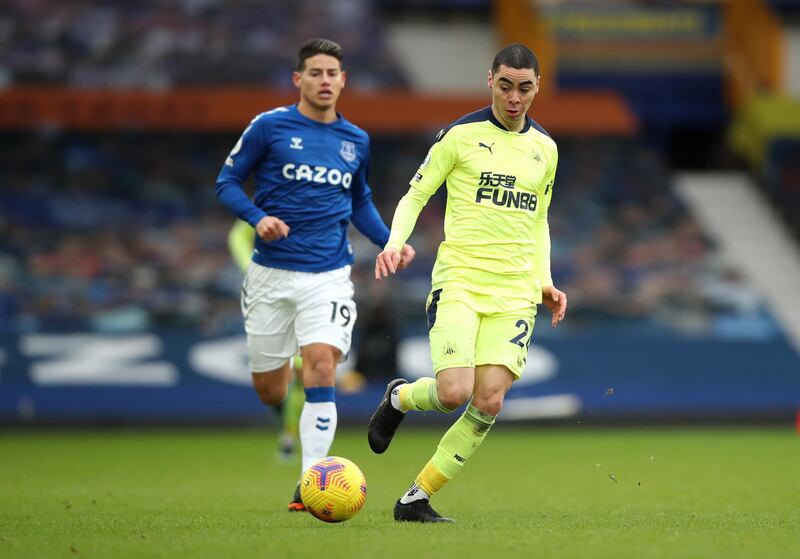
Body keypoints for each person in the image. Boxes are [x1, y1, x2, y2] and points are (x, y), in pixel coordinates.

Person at [368, 44, 567, 523]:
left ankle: (415, 499)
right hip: (459, 280)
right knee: (453, 392)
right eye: (505, 86)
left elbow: (538, 220)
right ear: (490, 81)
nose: (514, 97)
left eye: (524, 87)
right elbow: (415, 195)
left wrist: (545, 281)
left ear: (537, 86)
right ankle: (400, 396)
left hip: (516, 291)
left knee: (489, 400)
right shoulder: (460, 136)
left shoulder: (546, 149)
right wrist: (394, 242)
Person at [215, 38, 415, 512]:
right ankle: (282, 392)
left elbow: (359, 200)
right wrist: (256, 217)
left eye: (332, 74)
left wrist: (388, 240)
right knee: (273, 389)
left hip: (328, 275)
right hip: (270, 275)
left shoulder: (356, 141)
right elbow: (226, 183)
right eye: (316, 73)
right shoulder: (269, 127)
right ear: (298, 79)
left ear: (343, 81)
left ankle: (311, 480)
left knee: (322, 364)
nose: (325, 81)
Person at [228, 219, 305, 463]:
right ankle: (283, 416)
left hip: (302, 315)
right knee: (273, 385)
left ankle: (290, 438)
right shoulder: (256, 266)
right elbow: (237, 236)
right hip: (270, 321)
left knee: (305, 376)